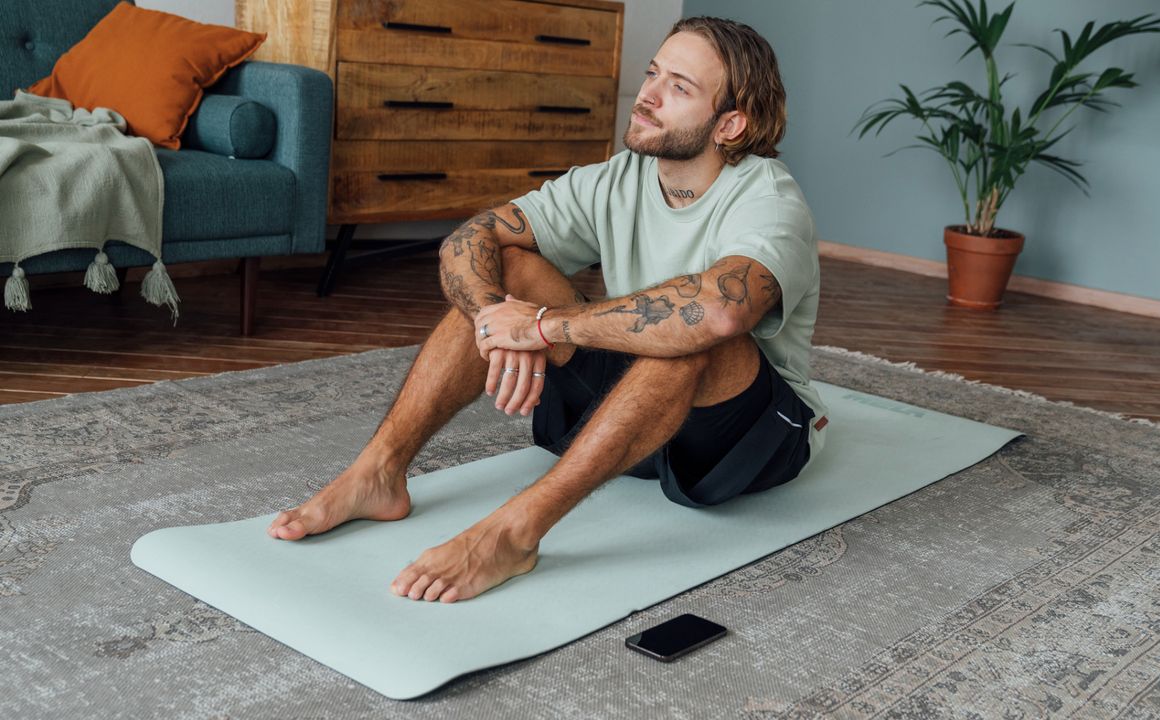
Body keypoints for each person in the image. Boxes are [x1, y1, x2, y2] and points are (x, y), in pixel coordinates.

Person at [266, 16, 828, 604]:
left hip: (747, 438)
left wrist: (541, 326)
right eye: (652, 73)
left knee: (689, 333)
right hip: (636, 410)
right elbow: (470, 238)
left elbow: (717, 314)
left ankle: (514, 534)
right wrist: (495, 318)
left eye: (680, 88)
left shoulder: (768, 198)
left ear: (730, 123)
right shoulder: (619, 177)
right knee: (507, 266)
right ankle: (379, 472)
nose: (648, 96)